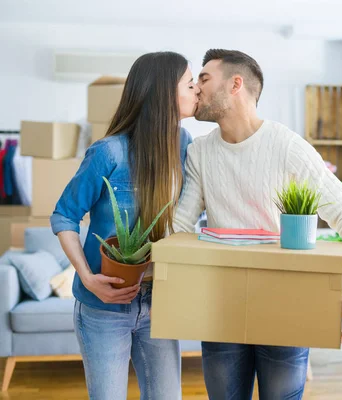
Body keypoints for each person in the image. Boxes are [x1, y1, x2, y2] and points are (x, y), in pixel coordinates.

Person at [173, 49, 342, 399]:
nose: (196, 89)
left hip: (285, 304)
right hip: (222, 307)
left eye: (204, 79)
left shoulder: (287, 147)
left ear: (235, 84)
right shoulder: (201, 152)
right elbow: (181, 225)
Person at [50, 51, 198, 400]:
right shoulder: (108, 152)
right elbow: (64, 216)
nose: (197, 92)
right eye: (190, 85)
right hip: (102, 306)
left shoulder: (183, 143)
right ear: (164, 93)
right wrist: (87, 277)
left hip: (159, 302)